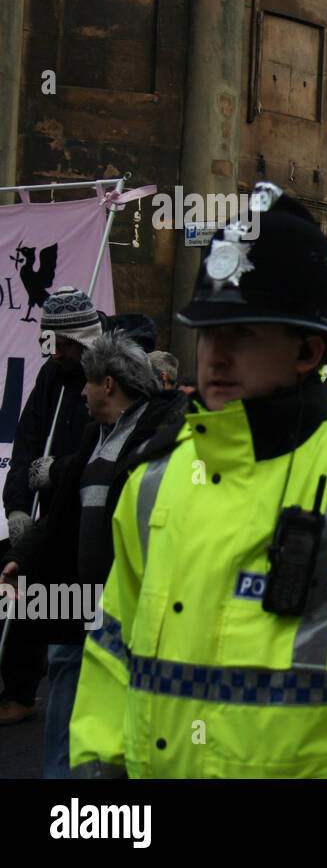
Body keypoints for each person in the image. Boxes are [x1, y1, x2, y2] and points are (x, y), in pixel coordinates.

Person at [68, 183, 327, 777]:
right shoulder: (155, 478)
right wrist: (96, 770)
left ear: (307, 350)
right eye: (208, 332)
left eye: (243, 334)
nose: (216, 356)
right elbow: (112, 649)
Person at [1, 330, 186, 776]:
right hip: (81, 600)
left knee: (115, 713)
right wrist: (21, 558)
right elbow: (62, 513)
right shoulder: (93, 436)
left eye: (88, 381)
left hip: (128, 606)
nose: (81, 390)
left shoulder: (162, 435)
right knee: (67, 685)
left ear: (109, 384)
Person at [2, 286, 102, 726]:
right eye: (51, 343)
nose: (55, 352)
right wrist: (17, 508)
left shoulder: (104, 374)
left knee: (68, 610)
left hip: (85, 512)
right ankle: (20, 690)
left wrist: (57, 470)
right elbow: (25, 441)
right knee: (23, 590)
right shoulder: (52, 375)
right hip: (47, 512)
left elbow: (107, 450)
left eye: (63, 344)